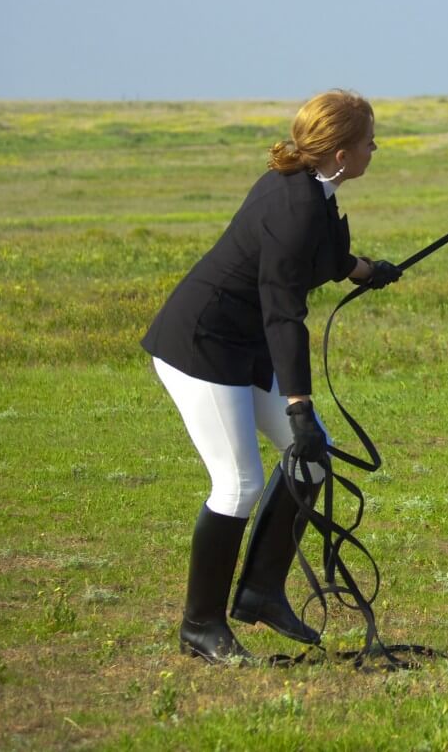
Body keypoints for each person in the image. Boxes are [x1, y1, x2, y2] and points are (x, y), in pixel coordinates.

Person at [142, 89, 402, 664]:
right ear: (339, 152)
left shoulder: (312, 188)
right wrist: (299, 407)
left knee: (312, 458)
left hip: (242, 348)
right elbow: (283, 312)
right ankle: (200, 625)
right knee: (239, 486)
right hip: (201, 347)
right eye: (367, 142)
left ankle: (260, 591)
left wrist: (367, 271)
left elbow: (325, 258)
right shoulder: (293, 207)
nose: (374, 148)